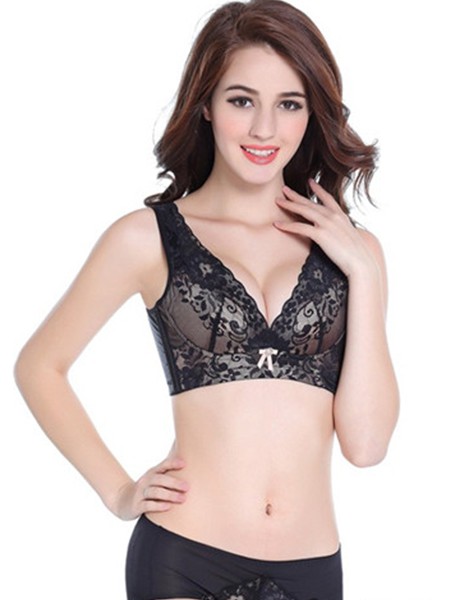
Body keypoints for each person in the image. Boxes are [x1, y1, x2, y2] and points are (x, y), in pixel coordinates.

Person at [14, 1, 399, 598]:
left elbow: (367, 447)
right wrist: (118, 491)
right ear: (206, 106)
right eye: (242, 101)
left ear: (311, 113)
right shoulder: (147, 238)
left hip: (313, 567)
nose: (264, 129)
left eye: (289, 104)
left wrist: (363, 275)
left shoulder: (356, 253)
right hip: (184, 557)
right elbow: (39, 366)